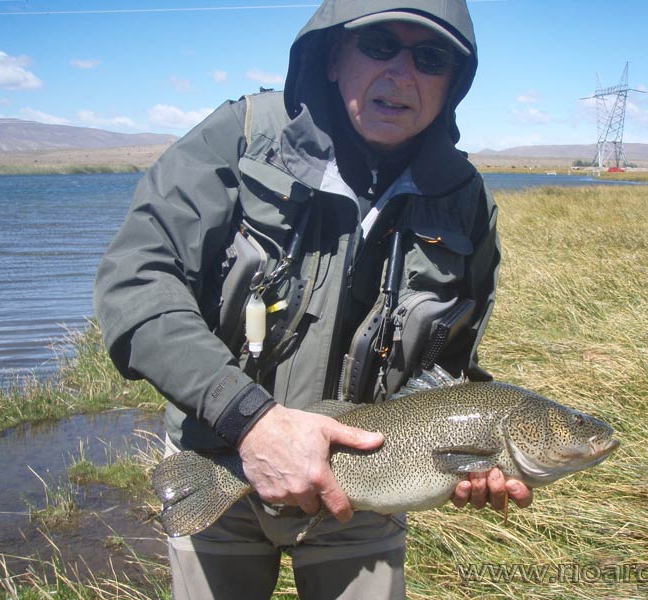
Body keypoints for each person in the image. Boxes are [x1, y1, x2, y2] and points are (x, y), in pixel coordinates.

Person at [94, 1, 533, 598]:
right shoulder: (241, 138)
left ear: (452, 84)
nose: (402, 75)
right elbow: (136, 283)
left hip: (366, 488)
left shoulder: (465, 201)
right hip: (219, 456)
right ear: (332, 57)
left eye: (429, 58)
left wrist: (467, 460)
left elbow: (451, 365)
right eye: (380, 45)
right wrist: (248, 420)